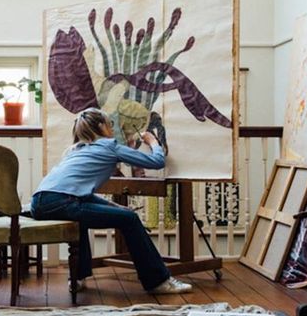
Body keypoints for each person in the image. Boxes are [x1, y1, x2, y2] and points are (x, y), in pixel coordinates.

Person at [30, 108, 193, 295]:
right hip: (62, 201)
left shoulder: (76, 150)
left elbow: (77, 195)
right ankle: (159, 281)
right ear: (101, 126)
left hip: (39, 203)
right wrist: (153, 141)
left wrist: (114, 206)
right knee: (130, 219)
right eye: (110, 124)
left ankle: (77, 278)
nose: (112, 129)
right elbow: (157, 161)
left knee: (82, 221)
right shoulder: (109, 146)